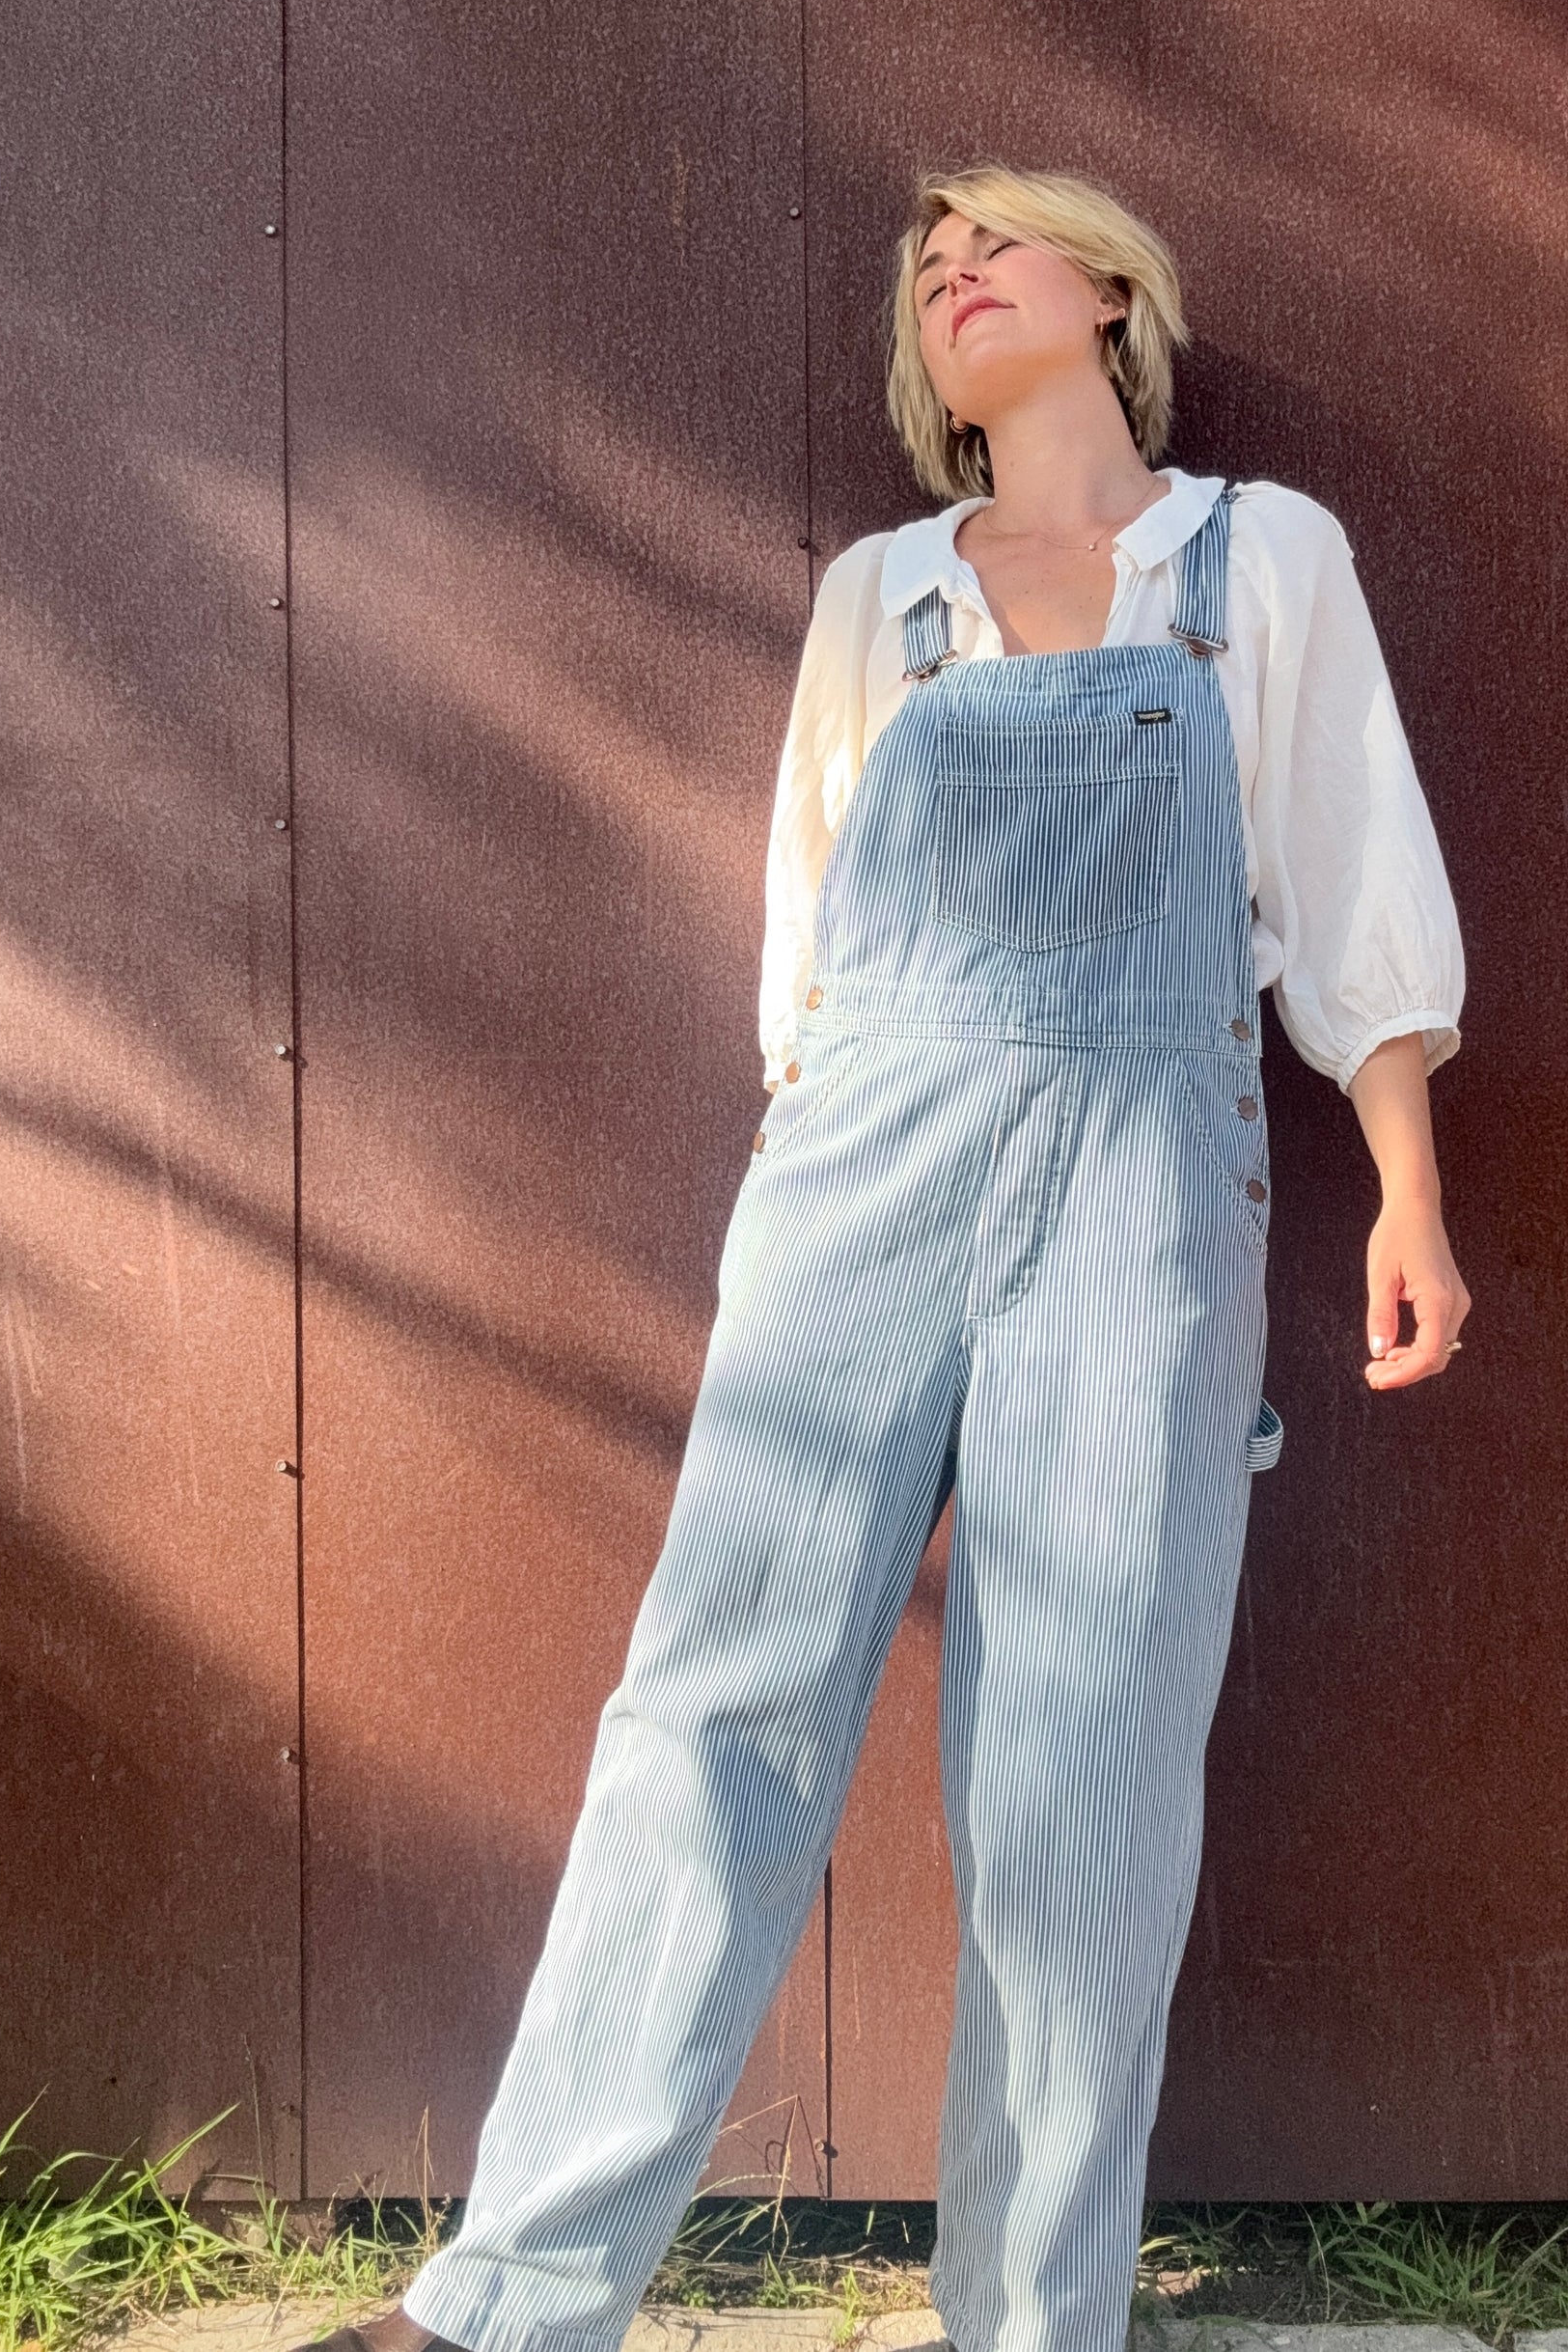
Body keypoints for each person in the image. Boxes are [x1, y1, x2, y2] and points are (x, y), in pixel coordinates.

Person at [301, 163, 1469, 2352]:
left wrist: (1405, 1189)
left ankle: (1031, 2323)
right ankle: (510, 2299)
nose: (954, 273)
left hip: (1143, 1186)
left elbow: (1349, 864)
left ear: (1110, 293)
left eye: (993, 241)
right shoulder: (883, 594)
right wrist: (810, 1162)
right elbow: (808, 926)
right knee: (708, 1708)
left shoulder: (1260, 558)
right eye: (928, 266)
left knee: (1080, 1778)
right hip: (860, 1163)